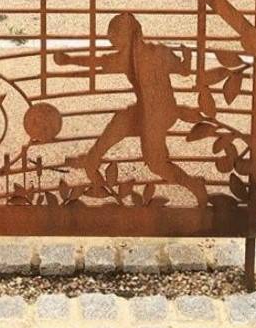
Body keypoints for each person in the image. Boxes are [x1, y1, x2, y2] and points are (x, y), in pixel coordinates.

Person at [54, 12, 207, 204]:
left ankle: (194, 185)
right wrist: (69, 60)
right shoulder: (134, 57)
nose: (113, 43)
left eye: (116, 38)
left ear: (129, 35)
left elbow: (184, 70)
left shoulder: (158, 54)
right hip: (144, 110)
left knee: (156, 163)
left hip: (159, 115)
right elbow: (100, 62)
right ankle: (92, 160)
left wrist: (188, 59)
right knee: (120, 122)